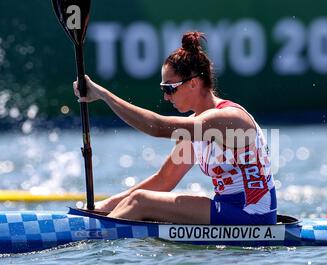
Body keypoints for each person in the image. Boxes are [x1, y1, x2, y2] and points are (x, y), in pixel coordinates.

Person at [73, 31, 277, 225]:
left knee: (140, 201)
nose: (166, 96)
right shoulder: (197, 128)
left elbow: (157, 127)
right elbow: (164, 180)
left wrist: (103, 95)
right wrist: (102, 207)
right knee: (138, 200)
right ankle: (95, 226)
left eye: (169, 88)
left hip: (254, 216)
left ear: (194, 83)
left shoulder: (226, 119)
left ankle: (90, 237)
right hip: (229, 210)